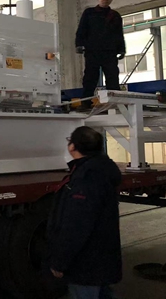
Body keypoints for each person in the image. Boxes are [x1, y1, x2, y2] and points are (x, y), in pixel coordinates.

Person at [46, 126, 122, 299]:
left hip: (86, 265)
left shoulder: (86, 178)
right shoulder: (100, 169)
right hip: (100, 259)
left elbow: (76, 225)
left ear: (72, 147)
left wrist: (60, 262)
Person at [75, 0, 126, 110]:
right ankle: (85, 103)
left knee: (112, 77)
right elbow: (82, 29)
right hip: (92, 50)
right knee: (90, 77)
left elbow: (119, 34)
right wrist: (79, 44)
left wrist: (122, 49)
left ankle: (114, 103)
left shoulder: (115, 15)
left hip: (110, 51)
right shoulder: (89, 13)